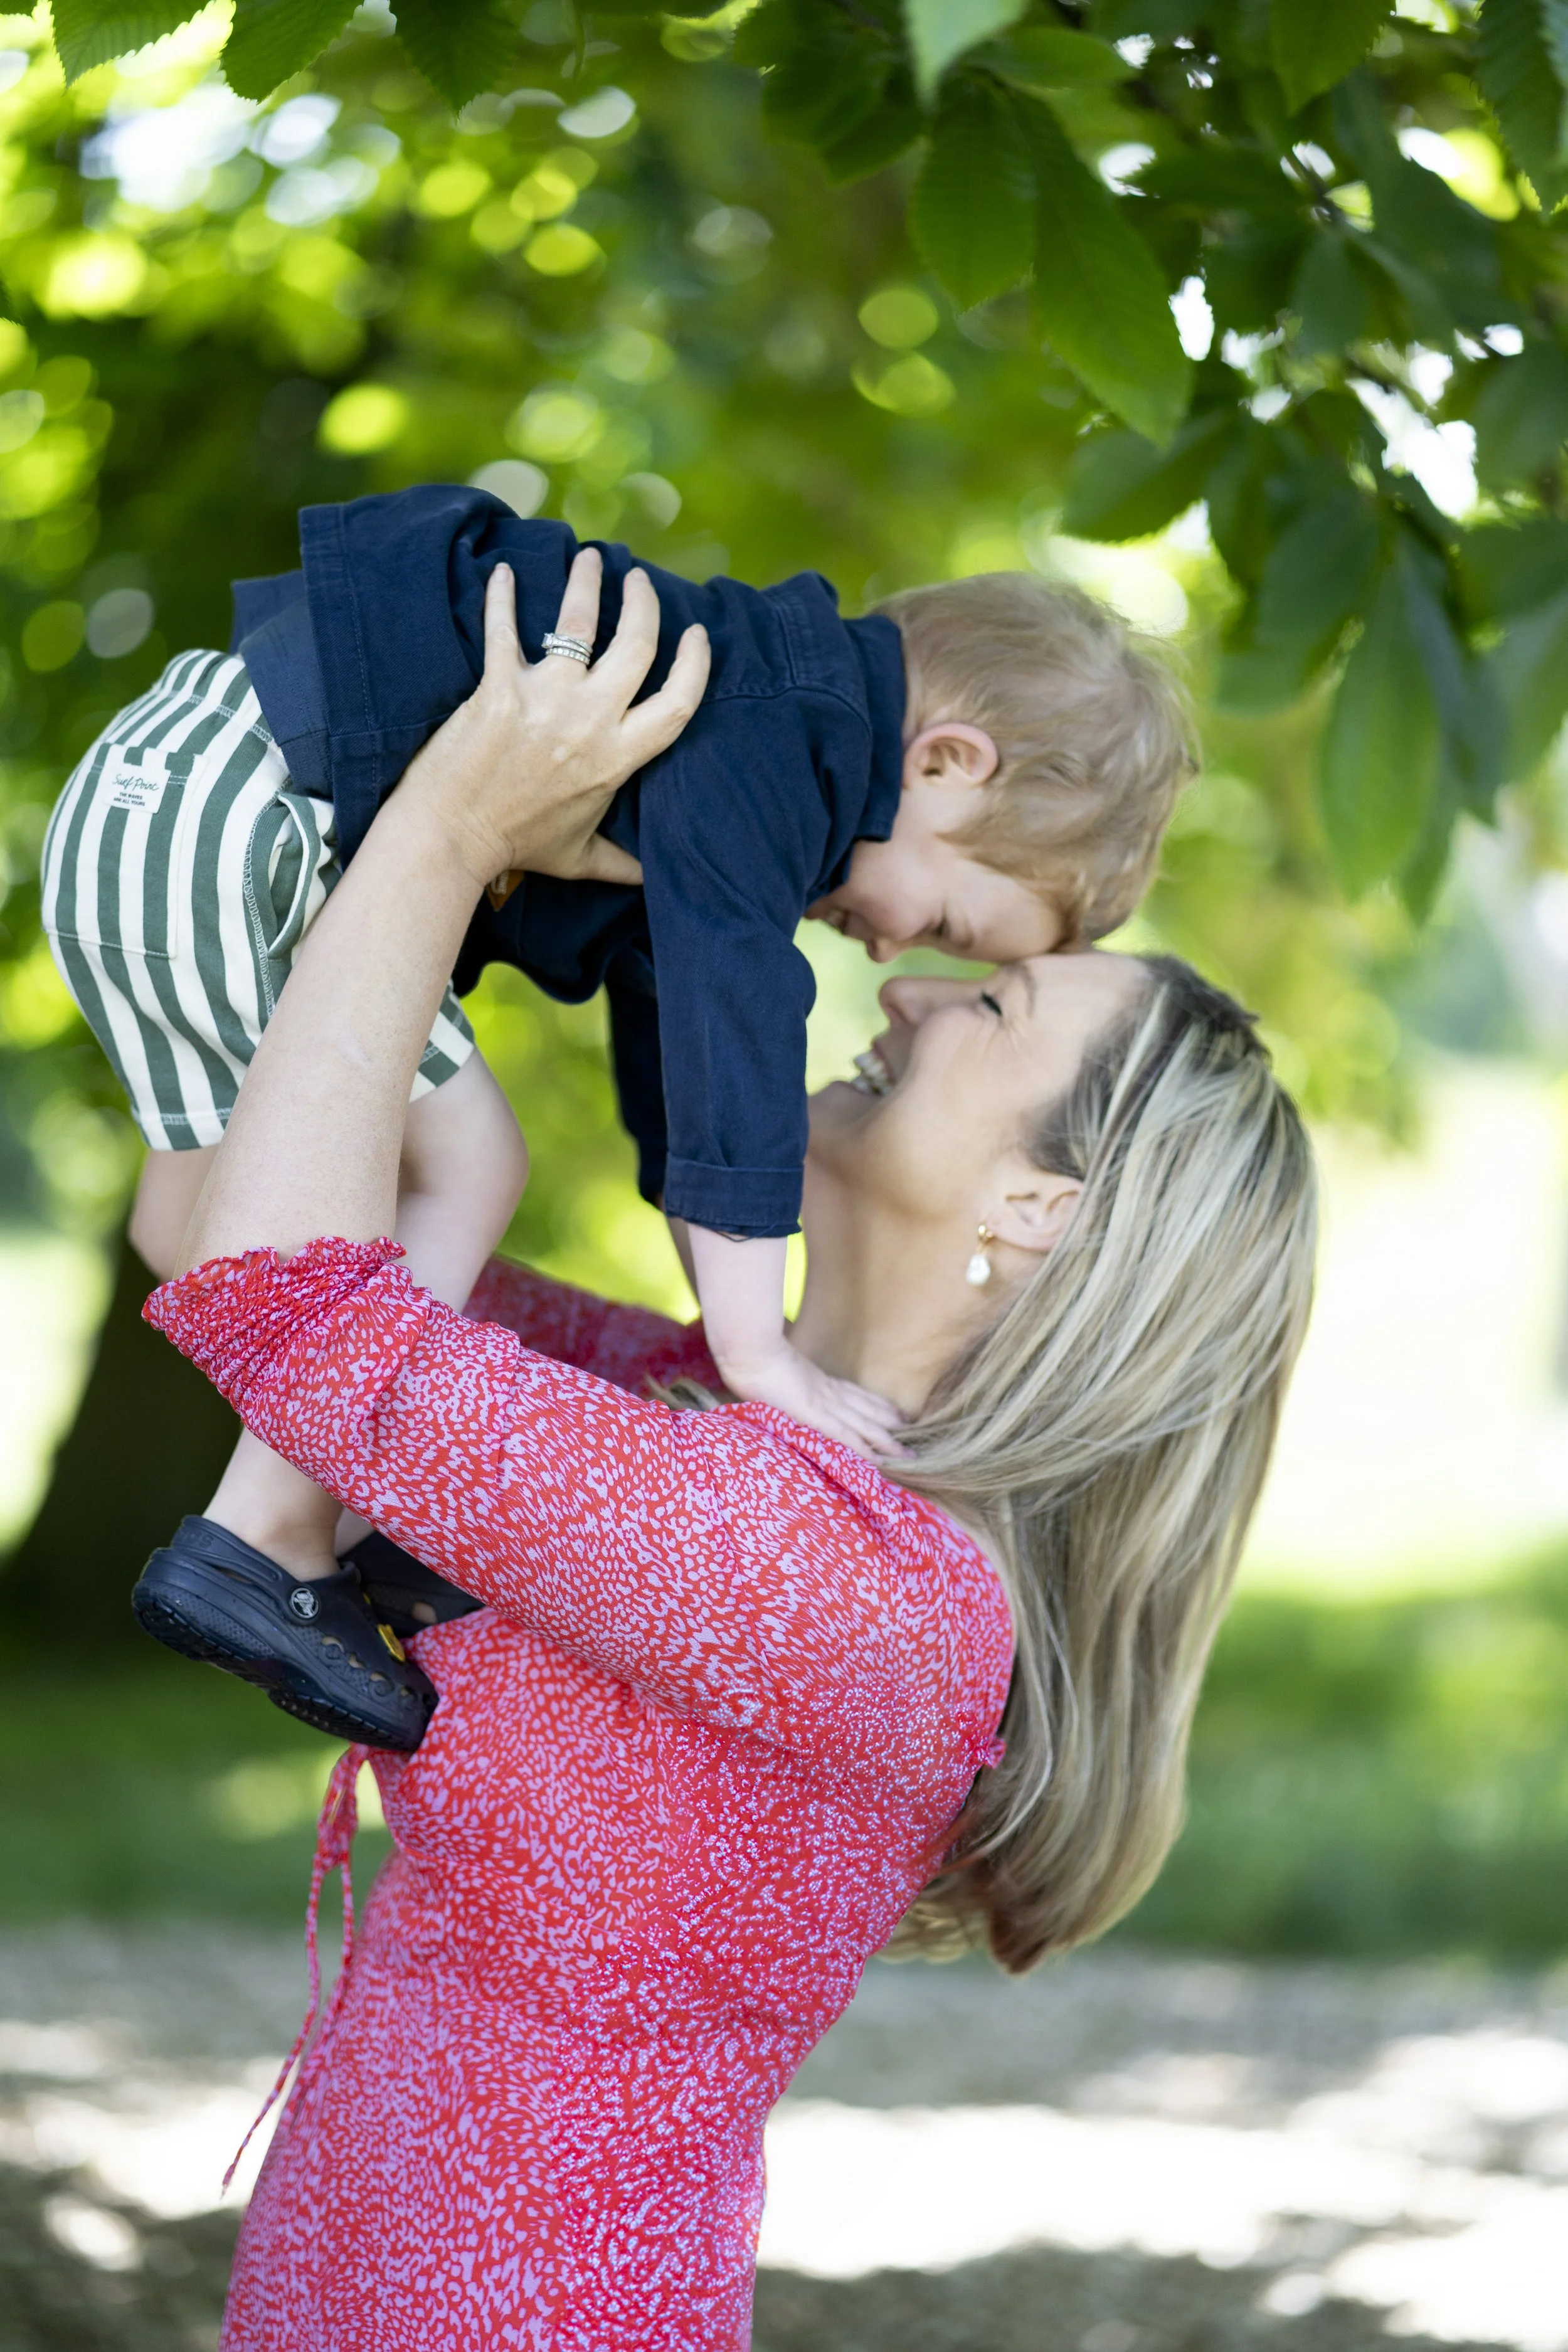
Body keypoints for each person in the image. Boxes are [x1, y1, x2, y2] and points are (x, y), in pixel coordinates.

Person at [143, 554, 1315, 2348]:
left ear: (1040, 1207)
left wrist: (456, 819)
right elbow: (211, 1226)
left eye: (989, 1010)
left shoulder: (859, 1588)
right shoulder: (711, 1415)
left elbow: (284, 1299)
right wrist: (361, 854)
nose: (909, 992)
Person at [41, 487, 1190, 1745]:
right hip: (230, 825)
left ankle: (347, 1517)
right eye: (954, 924)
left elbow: (666, 1048)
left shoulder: (740, 732)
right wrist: (757, 1356)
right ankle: (270, 1538)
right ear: (948, 763)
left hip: (165, 803)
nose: (901, 953)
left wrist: (719, 1293)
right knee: (469, 1163)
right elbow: (729, 1010)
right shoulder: (781, 742)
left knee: (209, 1226)